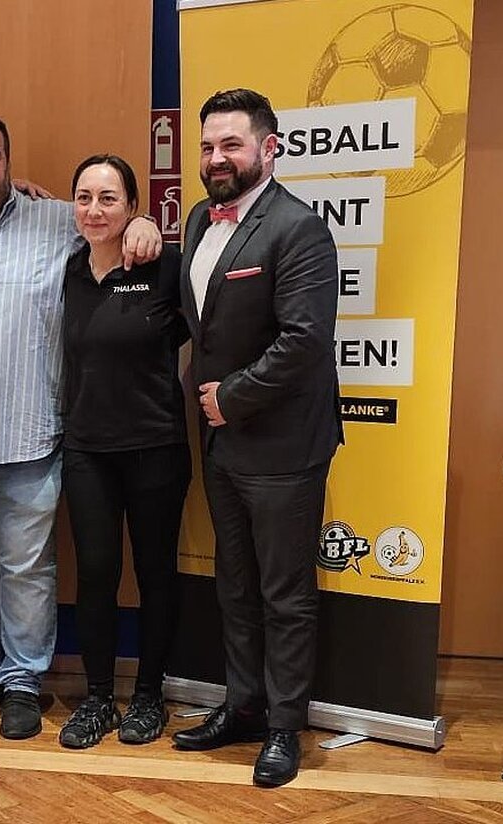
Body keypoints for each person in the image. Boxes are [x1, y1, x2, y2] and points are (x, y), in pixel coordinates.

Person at [0, 114, 162, 740]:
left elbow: (110, 226)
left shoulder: (53, 222)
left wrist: (146, 222)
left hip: (24, 431)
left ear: (7, 164)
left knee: (26, 566)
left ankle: (23, 681)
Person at [170, 89, 342, 786]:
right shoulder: (195, 221)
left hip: (283, 447)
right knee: (234, 587)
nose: (216, 158)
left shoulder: (298, 229)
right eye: (208, 146)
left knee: (284, 593)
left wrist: (229, 399)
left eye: (231, 145)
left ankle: (283, 727)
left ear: (269, 149)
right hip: (222, 447)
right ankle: (242, 706)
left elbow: (304, 341)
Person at [56, 155, 190, 749]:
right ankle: (97, 698)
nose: (94, 209)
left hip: (156, 448)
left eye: (109, 198)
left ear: (133, 207)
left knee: (156, 574)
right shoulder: (70, 271)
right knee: (96, 575)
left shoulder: (165, 268)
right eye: (84, 197)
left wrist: (160, 236)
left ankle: (150, 697)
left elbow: (207, 334)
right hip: (88, 451)